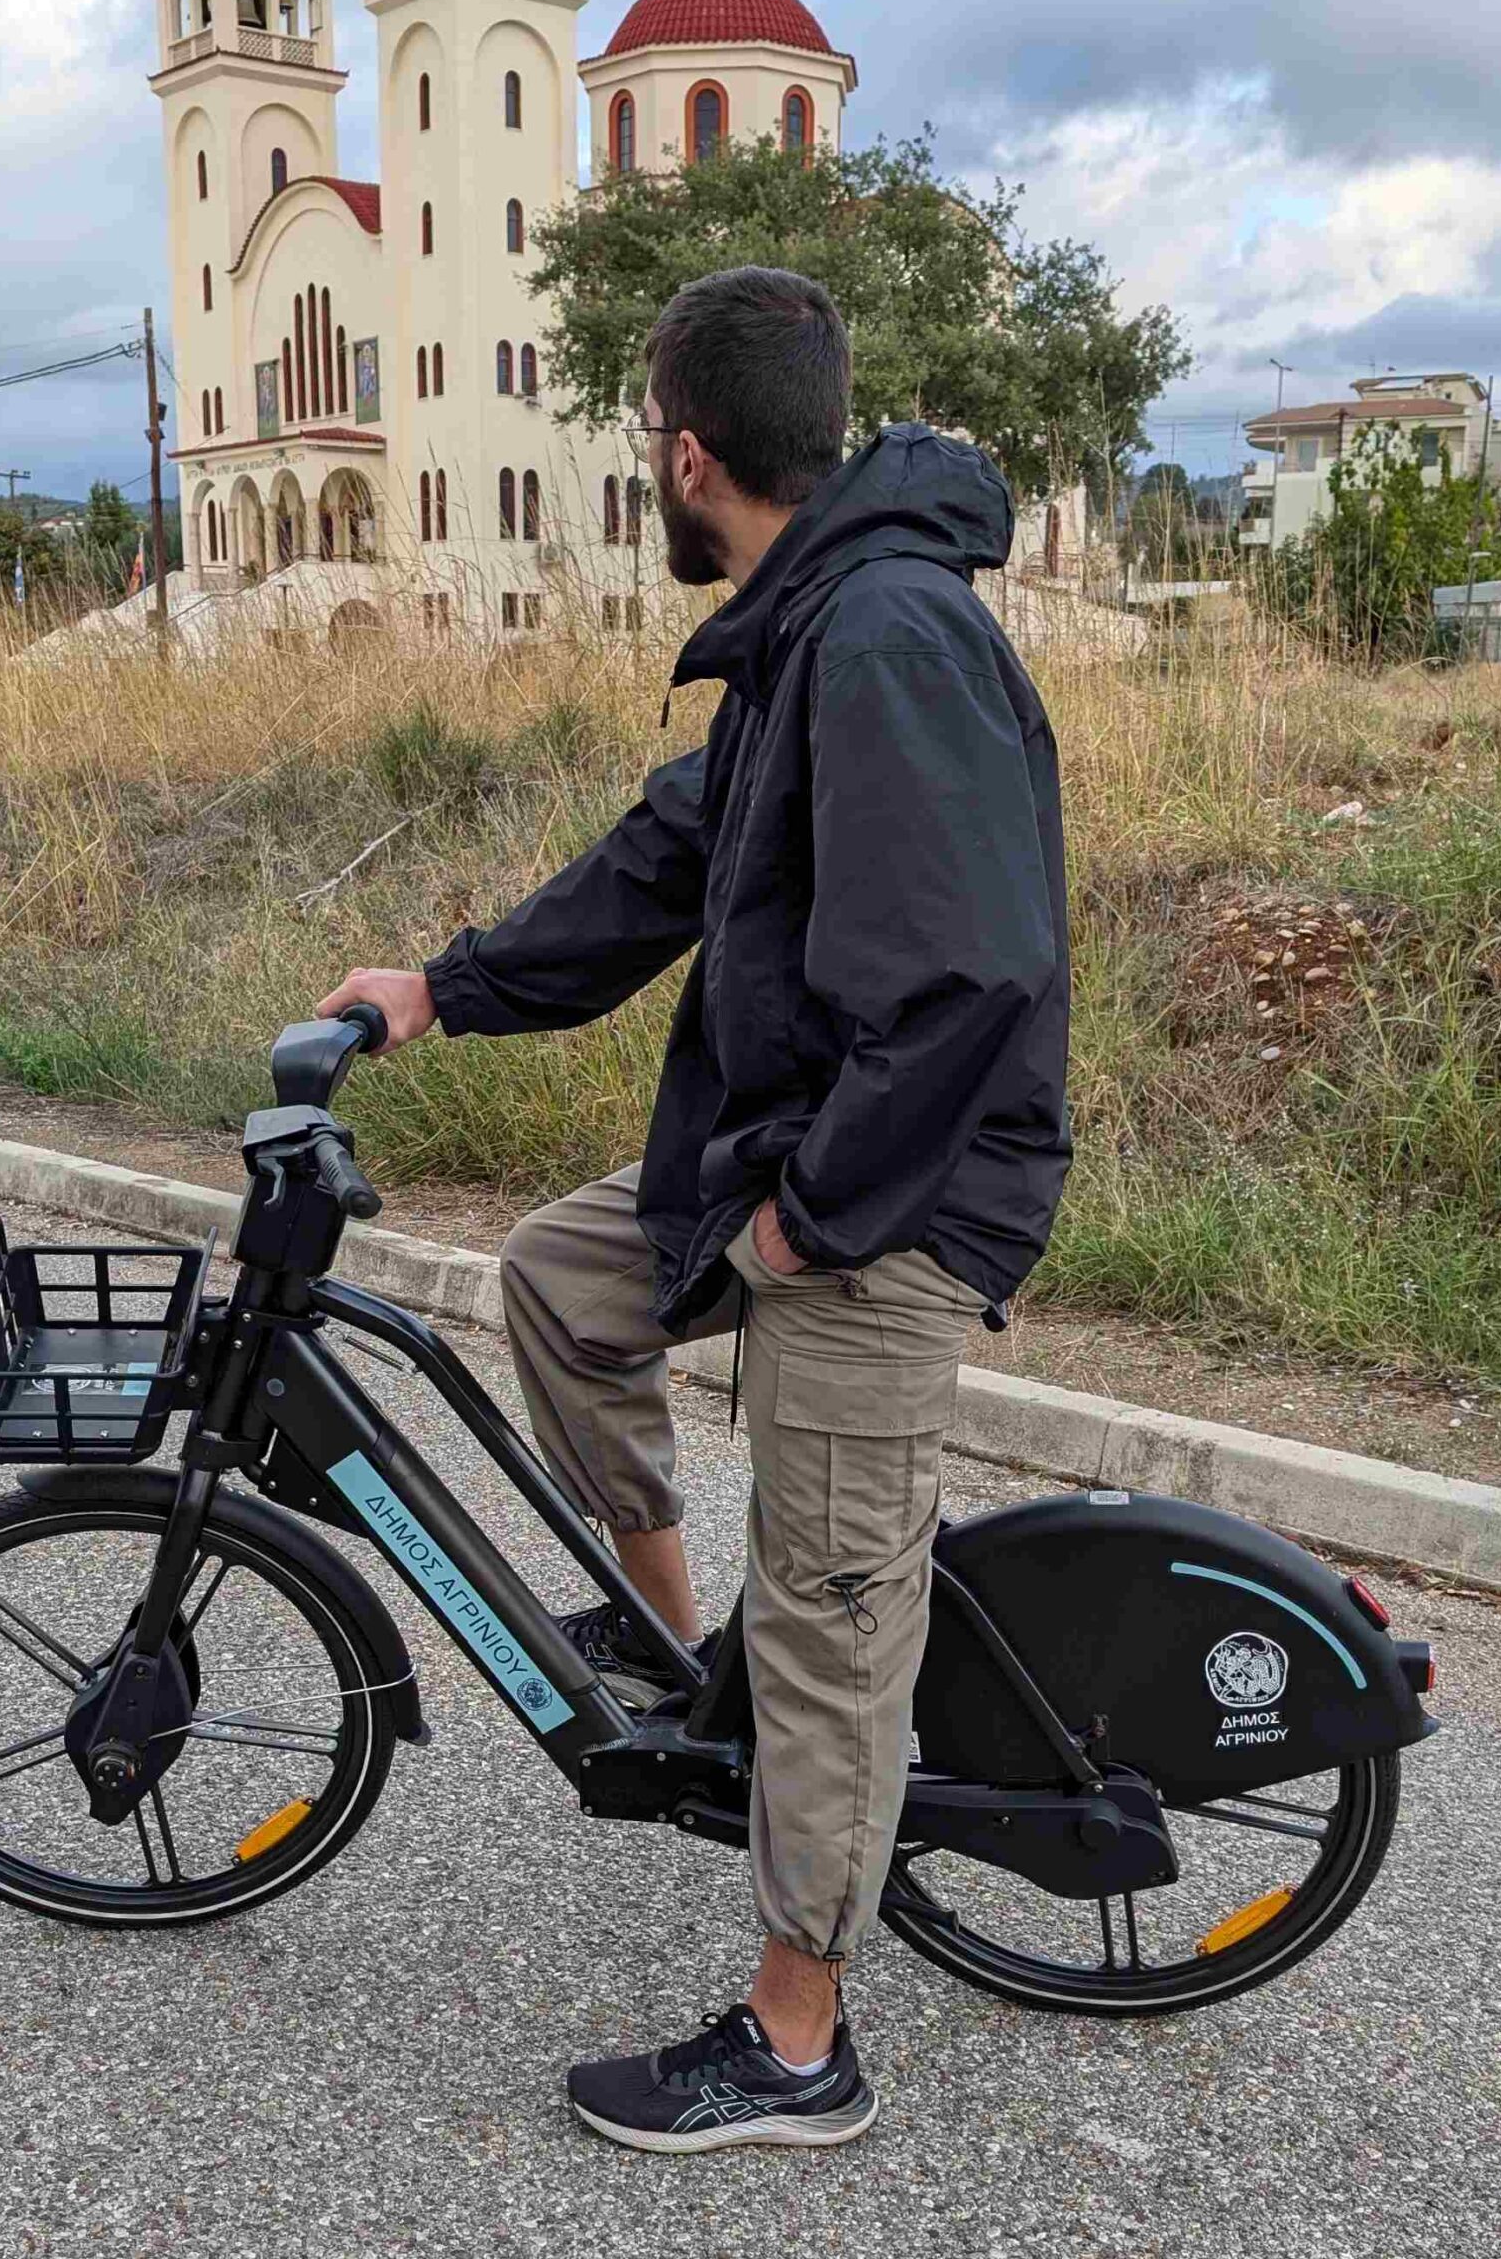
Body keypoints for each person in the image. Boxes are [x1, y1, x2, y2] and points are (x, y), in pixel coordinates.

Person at [319, 264, 1070, 2153]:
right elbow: (663, 860)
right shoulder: (805, 618)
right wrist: (441, 984)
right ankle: (669, 1649)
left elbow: (966, 979)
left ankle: (798, 2048)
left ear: (682, 451)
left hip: (880, 1199)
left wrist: (812, 1228)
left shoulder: (884, 636)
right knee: (563, 1280)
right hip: (793, 1155)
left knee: (825, 1613)